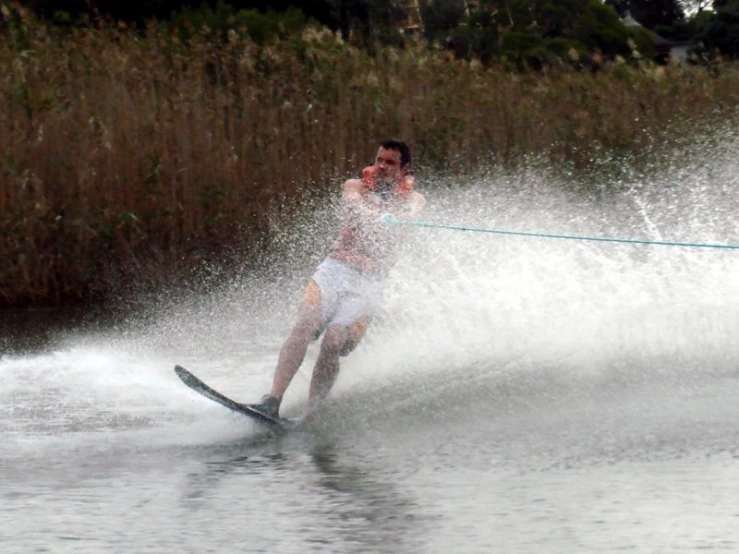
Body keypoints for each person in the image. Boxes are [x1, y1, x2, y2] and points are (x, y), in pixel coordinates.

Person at [250, 138, 425, 418]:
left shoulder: (414, 200)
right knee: (304, 325)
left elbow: (413, 211)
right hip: (334, 271)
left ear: (404, 169)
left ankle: (311, 414)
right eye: (379, 159)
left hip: (367, 283)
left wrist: (397, 214)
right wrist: (373, 214)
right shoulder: (354, 186)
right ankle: (272, 400)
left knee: (332, 340)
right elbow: (353, 205)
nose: (381, 166)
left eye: (390, 162)